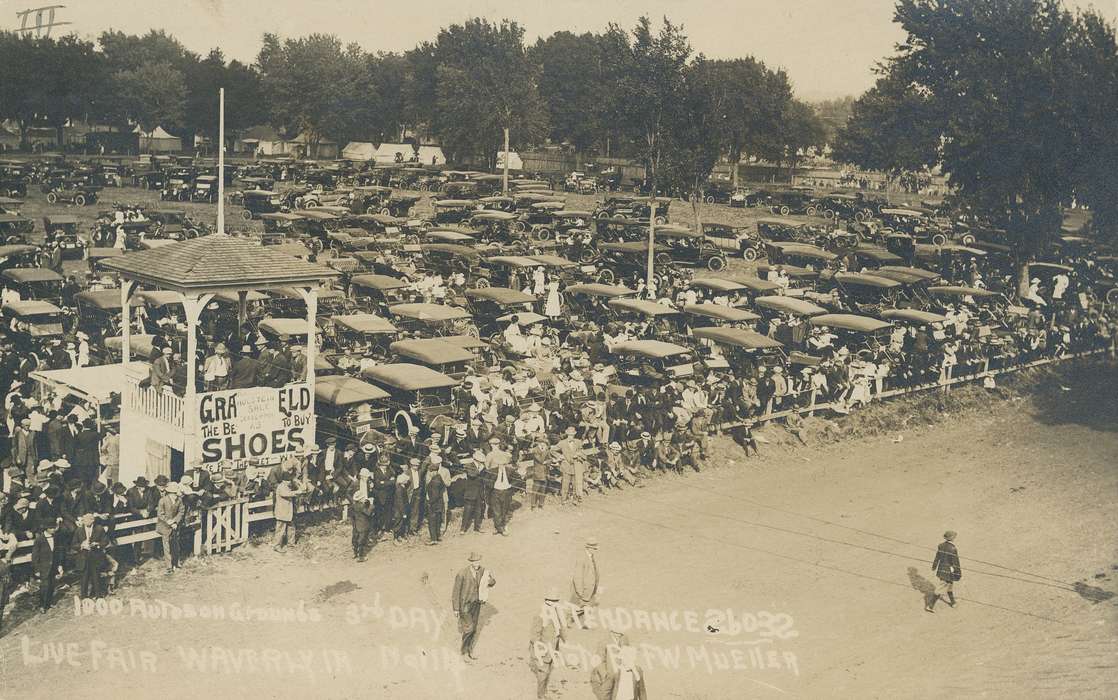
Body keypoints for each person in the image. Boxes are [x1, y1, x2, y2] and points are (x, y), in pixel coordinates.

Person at [451, 551, 496, 660]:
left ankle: (470, 650)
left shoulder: (483, 571)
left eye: (478, 561)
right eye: (475, 561)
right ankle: (464, 652)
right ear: (471, 562)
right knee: (469, 628)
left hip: (476, 603)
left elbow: (492, 582)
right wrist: (456, 608)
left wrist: (490, 580)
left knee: (474, 628)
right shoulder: (462, 573)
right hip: (465, 605)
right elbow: (456, 592)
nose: (477, 563)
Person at [528, 588, 567, 699]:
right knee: (543, 672)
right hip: (544, 649)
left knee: (548, 670)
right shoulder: (540, 615)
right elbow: (534, 635)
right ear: (548, 601)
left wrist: (562, 639)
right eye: (555, 601)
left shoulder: (555, 611)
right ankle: (541, 695)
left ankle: (543, 691)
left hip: (553, 646)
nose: (556, 603)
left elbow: (559, 627)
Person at [71, 511, 109, 598]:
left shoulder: (99, 528)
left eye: (88, 520)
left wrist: (98, 544)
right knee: (84, 578)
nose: (86, 522)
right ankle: (84, 597)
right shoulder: (79, 530)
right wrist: (81, 545)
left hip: (95, 556)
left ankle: (98, 595)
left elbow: (106, 541)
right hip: (83, 557)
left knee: (96, 576)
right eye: (84, 520)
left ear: (93, 521)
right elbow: (73, 545)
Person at [927, 530, 961, 612]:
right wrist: (958, 572)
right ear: (952, 538)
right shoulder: (953, 549)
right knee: (940, 588)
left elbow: (937, 556)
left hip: (941, 569)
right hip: (948, 571)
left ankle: (953, 602)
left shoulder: (941, 545)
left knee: (949, 585)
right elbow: (955, 561)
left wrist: (934, 566)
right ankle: (930, 606)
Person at [571, 536, 601, 627]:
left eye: (595, 549)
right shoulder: (582, 559)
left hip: (590, 590)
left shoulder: (591, 557)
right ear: (588, 548)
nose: (595, 550)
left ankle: (583, 623)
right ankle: (572, 621)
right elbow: (577, 577)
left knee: (585, 608)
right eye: (594, 548)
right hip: (584, 591)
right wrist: (581, 593)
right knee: (581, 607)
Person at [156, 482, 184, 572]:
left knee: (176, 545)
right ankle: (169, 566)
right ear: (170, 493)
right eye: (174, 493)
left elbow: (181, 512)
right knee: (167, 546)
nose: (176, 495)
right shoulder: (162, 501)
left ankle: (176, 563)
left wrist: (175, 521)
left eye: (177, 493)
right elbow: (160, 514)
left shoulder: (179, 500)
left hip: (175, 526)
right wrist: (169, 522)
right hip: (164, 526)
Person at [273, 474, 304, 552]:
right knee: (280, 529)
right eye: (289, 481)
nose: (290, 482)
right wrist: (297, 492)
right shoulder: (281, 487)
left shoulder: (288, 486)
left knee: (291, 527)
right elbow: (287, 494)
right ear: (284, 481)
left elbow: (302, 489)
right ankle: (277, 545)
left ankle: (291, 544)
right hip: (282, 512)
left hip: (289, 512)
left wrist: (299, 483)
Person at [349, 470, 374, 561]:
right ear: (362, 476)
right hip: (362, 509)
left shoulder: (368, 483)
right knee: (361, 535)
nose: (368, 478)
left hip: (361, 507)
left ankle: (355, 552)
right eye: (367, 476)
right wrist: (371, 505)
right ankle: (360, 555)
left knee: (356, 534)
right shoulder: (355, 483)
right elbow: (348, 492)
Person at [558, 426, 585, 504]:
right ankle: (564, 499)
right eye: (569, 435)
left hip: (575, 466)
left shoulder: (578, 442)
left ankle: (575, 499)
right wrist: (559, 456)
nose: (571, 436)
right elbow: (552, 450)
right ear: (567, 434)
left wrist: (578, 455)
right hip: (566, 466)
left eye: (572, 435)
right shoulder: (562, 442)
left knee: (575, 483)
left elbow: (582, 452)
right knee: (565, 483)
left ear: (574, 434)